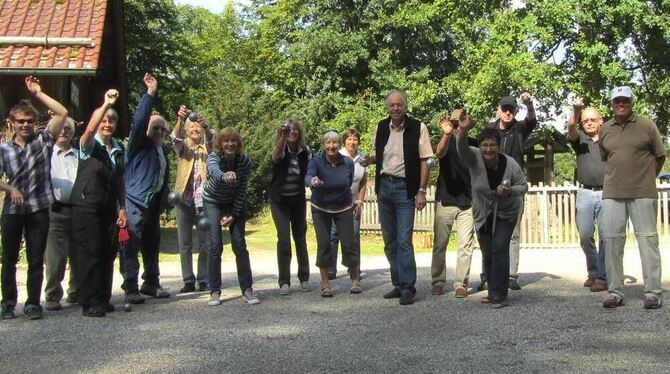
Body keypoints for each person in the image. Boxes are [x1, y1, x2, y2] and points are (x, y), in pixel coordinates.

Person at [0, 76, 68, 320]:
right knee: (8, 259)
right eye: (20, 122)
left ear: (35, 123)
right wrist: (10, 189)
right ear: (12, 123)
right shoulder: (4, 149)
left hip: (38, 206)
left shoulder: (43, 141)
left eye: (29, 121)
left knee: (36, 259)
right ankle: (7, 303)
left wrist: (37, 93)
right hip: (12, 210)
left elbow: (62, 112)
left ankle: (32, 303)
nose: (25, 125)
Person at [598, 86, 665, 309]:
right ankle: (615, 292)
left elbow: (660, 155)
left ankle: (653, 293)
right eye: (617, 101)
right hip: (613, 193)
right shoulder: (605, 129)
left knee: (648, 242)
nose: (621, 104)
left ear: (631, 102)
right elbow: (606, 157)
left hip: (642, 192)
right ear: (612, 104)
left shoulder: (646, 125)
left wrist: (647, 177)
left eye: (625, 101)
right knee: (612, 241)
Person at [365, 90, 433, 305]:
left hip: (405, 188)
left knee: (404, 240)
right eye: (392, 105)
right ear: (387, 107)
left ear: (405, 106)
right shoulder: (380, 127)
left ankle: (407, 287)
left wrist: (421, 190)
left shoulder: (418, 127)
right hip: (384, 187)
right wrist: (367, 160)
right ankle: (397, 283)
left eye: (399, 105)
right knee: (389, 241)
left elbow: (426, 160)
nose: (395, 108)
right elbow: (380, 156)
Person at [456, 113, 528, 308]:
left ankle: (500, 294)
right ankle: (492, 288)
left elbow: (524, 186)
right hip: (483, 212)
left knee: (499, 248)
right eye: (484, 145)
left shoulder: (510, 164)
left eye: (492, 145)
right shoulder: (473, 158)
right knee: (488, 252)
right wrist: (463, 130)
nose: (488, 149)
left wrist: (510, 191)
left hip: (507, 211)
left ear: (498, 146)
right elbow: (460, 148)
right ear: (479, 147)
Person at [71, 89, 127, 317]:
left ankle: (103, 297)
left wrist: (122, 207)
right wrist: (105, 104)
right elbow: (89, 130)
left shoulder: (117, 149)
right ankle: (89, 300)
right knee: (91, 252)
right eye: (104, 120)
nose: (107, 124)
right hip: (86, 206)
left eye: (111, 121)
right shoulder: (88, 146)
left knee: (107, 252)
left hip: (107, 208)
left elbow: (120, 181)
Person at [122, 73, 171, 304]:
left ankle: (151, 283)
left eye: (162, 129)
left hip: (152, 206)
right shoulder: (139, 146)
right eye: (155, 129)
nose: (159, 132)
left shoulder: (162, 151)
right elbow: (141, 120)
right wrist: (149, 93)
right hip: (134, 203)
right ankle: (130, 287)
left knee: (152, 245)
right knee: (130, 245)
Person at [485, 92, 536, 291]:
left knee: (513, 232)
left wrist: (529, 104)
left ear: (515, 111)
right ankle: (488, 274)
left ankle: (511, 275)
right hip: (491, 184)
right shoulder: (489, 129)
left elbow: (531, 120)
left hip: (513, 184)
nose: (507, 113)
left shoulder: (520, 128)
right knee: (488, 231)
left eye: (511, 110)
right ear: (498, 109)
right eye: (504, 109)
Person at [203, 127, 258, 306]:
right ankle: (214, 290)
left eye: (233, 141)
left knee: (239, 245)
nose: (230, 144)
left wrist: (234, 215)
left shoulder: (244, 161)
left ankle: (247, 289)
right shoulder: (213, 157)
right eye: (226, 141)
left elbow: (242, 190)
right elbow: (214, 171)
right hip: (213, 201)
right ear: (220, 144)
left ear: (238, 143)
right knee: (215, 245)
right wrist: (224, 175)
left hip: (234, 202)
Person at [306, 131, 359, 297]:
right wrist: (312, 181)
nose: (331, 146)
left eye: (334, 143)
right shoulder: (316, 161)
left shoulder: (348, 162)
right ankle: (325, 284)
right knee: (324, 244)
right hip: (320, 208)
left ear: (339, 145)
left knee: (349, 243)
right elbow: (308, 175)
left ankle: (355, 280)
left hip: (343, 207)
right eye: (328, 143)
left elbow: (349, 181)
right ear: (324, 145)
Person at [430, 109, 476, 298]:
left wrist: (467, 126)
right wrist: (447, 134)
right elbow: (438, 153)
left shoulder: (473, 143)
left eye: (460, 123)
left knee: (465, 245)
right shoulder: (446, 141)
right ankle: (438, 281)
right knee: (440, 244)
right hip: (446, 199)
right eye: (454, 123)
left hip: (468, 201)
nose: (457, 127)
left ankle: (461, 284)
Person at [170, 105, 214, 293]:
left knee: (205, 242)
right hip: (183, 200)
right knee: (184, 243)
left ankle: (203, 278)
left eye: (197, 126)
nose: (195, 128)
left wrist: (206, 126)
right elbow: (174, 138)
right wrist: (180, 119)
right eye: (192, 126)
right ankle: (188, 280)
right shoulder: (183, 147)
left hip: (202, 201)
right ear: (187, 130)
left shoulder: (207, 148)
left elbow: (214, 139)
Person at [566, 101, 607, 292]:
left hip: (607, 192)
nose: (589, 123)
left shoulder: (609, 138)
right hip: (584, 192)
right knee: (585, 235)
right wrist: (576, 111)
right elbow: (571, 127)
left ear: (601, 121)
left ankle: (602, 276)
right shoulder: (579, 139)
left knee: (606, 236)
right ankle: (593, 271)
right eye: (586, 120)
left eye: (593, 119)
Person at [270, 119, 311, 295]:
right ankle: (284, 281)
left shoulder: (305, 151)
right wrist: (282, 136)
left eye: (295, 130)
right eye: (289, 130)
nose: (293, 132)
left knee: (300, 238)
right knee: (284, 239)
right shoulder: (280, 148)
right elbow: (276, 157)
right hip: (279, 200)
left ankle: (304, 278)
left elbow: (308, 171)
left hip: (297, 200)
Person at [43, 117, 80, 311]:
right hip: (55, 210)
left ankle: (75, 292)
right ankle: (52, 295)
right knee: (55, 256)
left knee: (78, 253)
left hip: (77, 210)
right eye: (61, 128)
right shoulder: (46, 154)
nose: (64, 132)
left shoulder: (78, 155)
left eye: (68, 129)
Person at [328, 128, 367, 280]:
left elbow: (363, 182)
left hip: (354, 202)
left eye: (355, 139)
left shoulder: (362, 159)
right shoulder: (338, 156)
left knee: (354, 235)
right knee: (334, 234)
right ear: (344, 141)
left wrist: (360, 201)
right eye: (349, 139)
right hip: (337, 202)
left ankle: (354, 267)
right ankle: (331, 268)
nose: (352, 142)